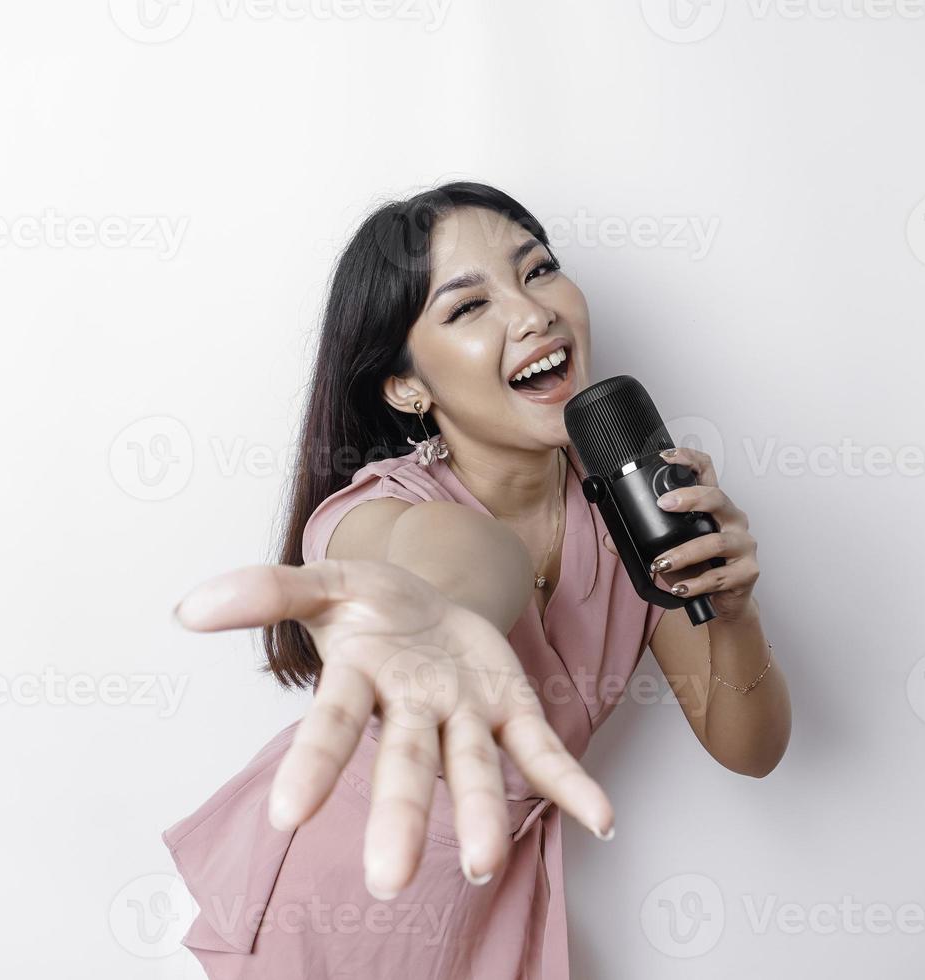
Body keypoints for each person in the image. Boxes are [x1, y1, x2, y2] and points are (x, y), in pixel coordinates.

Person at [163, 182, 792, 979]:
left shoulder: (629, 513)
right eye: (468, 308)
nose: (534, 314)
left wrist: (731, 612)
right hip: (335, 895)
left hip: (491, 900)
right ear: (407, 386)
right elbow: (453, 555)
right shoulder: (375, 512)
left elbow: (751, 749)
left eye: (538, 271)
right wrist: (437, 611)